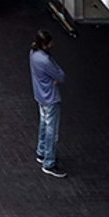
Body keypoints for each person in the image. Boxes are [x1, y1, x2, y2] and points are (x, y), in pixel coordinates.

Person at [31, 30, 67, 177]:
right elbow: (61, 75)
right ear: (45, 45)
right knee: (52, 130)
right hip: (51, 97)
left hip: (40, 95)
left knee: (43, 124)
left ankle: (41, 152)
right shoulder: (46, 60)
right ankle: (49, 162)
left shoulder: (33, 54)